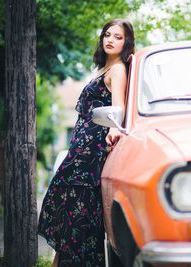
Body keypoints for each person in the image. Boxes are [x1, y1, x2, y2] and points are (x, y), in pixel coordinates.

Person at [38, 19, 135, 267]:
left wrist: (114, 129)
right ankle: (60, 261)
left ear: (127, 42)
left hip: (92, 150)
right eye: (107, 34)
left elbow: (118, 107)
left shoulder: (118, 70)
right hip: (80, 147)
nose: (110, 39)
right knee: (66, 204)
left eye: (118, 36)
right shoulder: (103, 69)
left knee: (78, 209)